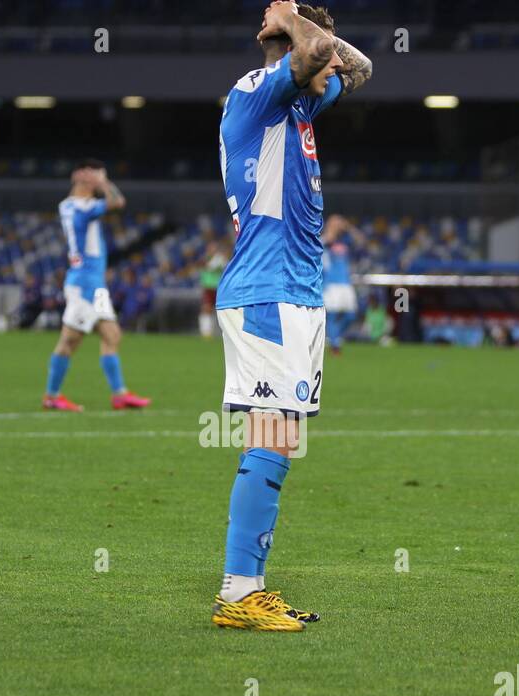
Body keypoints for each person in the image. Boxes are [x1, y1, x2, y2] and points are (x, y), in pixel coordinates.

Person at [209, 0, 371, 631]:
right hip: (265, 289)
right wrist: (289, 26)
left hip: (300, 293)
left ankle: (247, 589)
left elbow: (357, 68)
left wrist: (308, 28)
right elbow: (311, 57)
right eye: (317, 42)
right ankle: (238, 594)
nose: (328, 56)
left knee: (282, 442)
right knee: (272, 439)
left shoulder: (303, 101)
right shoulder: (253, 91)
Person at [42, 159, 151, 411]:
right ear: (81, 176)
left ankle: (119, 394)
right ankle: (51, 395)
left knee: (112, 334)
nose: (99, 179)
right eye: (93, 174)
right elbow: (117, 202)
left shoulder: (70, 206)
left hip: (95, 284)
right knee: (70, 339)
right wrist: (103, 182)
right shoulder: (79, 206)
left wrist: (97, 181)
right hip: (83, 284)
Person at [322, 214, 365, 353]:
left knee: (351, 315)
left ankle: (335, 337)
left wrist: (348, 227)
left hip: (346, 283)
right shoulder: (325, 240)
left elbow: (361, 241)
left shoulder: (345, 241)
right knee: (333, 315)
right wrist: (332, 227)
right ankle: (335, 344)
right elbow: (326, 240)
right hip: (331, 283)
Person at [198, 240, 228, 338]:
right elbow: (206, 268)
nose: (212, 250)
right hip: (208, 287)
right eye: (210, 248)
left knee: (221, 310)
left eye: (213, 248)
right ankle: (206, 331)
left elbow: (224, 266)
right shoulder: (205, 258)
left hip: (218, 287)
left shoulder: (220, 259)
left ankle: (219, 332)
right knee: (207, 308)